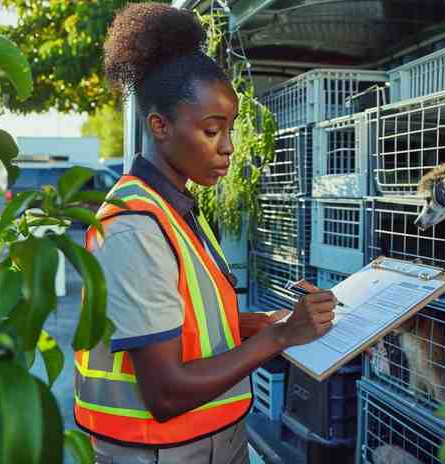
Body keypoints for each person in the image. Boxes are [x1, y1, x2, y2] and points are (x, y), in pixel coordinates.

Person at [75, 4, 337, 463]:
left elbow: (189, 323)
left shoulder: (176, 209)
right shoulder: (135, 226)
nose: (229, 146)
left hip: (208, 440)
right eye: (212, 130)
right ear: (160, 126)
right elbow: (166, 393)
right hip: (161, 451)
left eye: (230, 129)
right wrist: (276, 340)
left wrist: (268, 324)